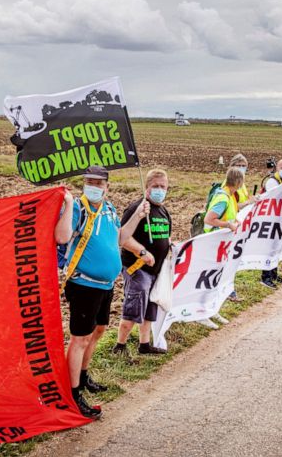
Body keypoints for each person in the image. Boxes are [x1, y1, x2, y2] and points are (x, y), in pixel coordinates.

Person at [60, 165, 149, 418]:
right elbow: (62, 237)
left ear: (107, 187)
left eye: (99, 183)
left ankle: (84, 376)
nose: (94, 186)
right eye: (89, 181)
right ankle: (73, 393)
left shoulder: (109, 209)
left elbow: (120, 238)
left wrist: (138, 217)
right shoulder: (78, 208)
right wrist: (67, 203)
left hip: (106, 285)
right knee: (80, 339)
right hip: (84, 284)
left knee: (98, 331)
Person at [113, 169, 172, 357]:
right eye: (155, 186)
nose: (159, 190)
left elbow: (165, 236)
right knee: (133, 307)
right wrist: (142, 252)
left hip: (156, 270)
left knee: (149, 308)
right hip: (137, 268)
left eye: (163, 187)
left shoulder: (163, 210)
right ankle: (120, 346)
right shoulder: (137, 208)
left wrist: (170, 246)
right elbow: (123, 236)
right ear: (146, 188)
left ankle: (144, 344)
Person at [204, 167, 244, 301]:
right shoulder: (223, 198)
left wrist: (235, 221)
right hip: (215, 240)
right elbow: (209, 219)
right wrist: (228, 225)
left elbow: (228, 215)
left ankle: (224, 293)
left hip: (222, 240)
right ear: (238, 182)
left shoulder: (229, 196)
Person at [259, 159, 282, 287]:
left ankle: (273, 274)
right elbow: (276, 196)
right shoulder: (272, 181)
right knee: (269, 248)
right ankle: (265, 277)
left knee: (276, 248)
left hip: (279, 219)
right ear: (277, 168)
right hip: (270, 220)